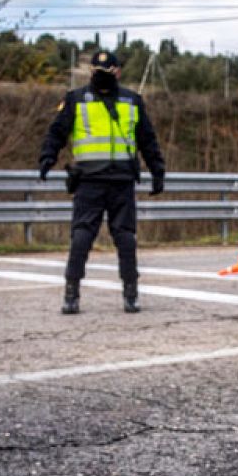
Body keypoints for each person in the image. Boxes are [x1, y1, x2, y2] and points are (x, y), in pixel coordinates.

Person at [38, 50, 166, 314]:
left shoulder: (78, 100)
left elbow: (57, 133)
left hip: (95, 180)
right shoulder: (130, 101)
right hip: (112, 180)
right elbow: (148, 141)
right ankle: (129, 295)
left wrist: (48, 158)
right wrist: (157, 171)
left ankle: (72, 296)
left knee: (86, 235)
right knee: (121, 237)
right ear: (117, 72)